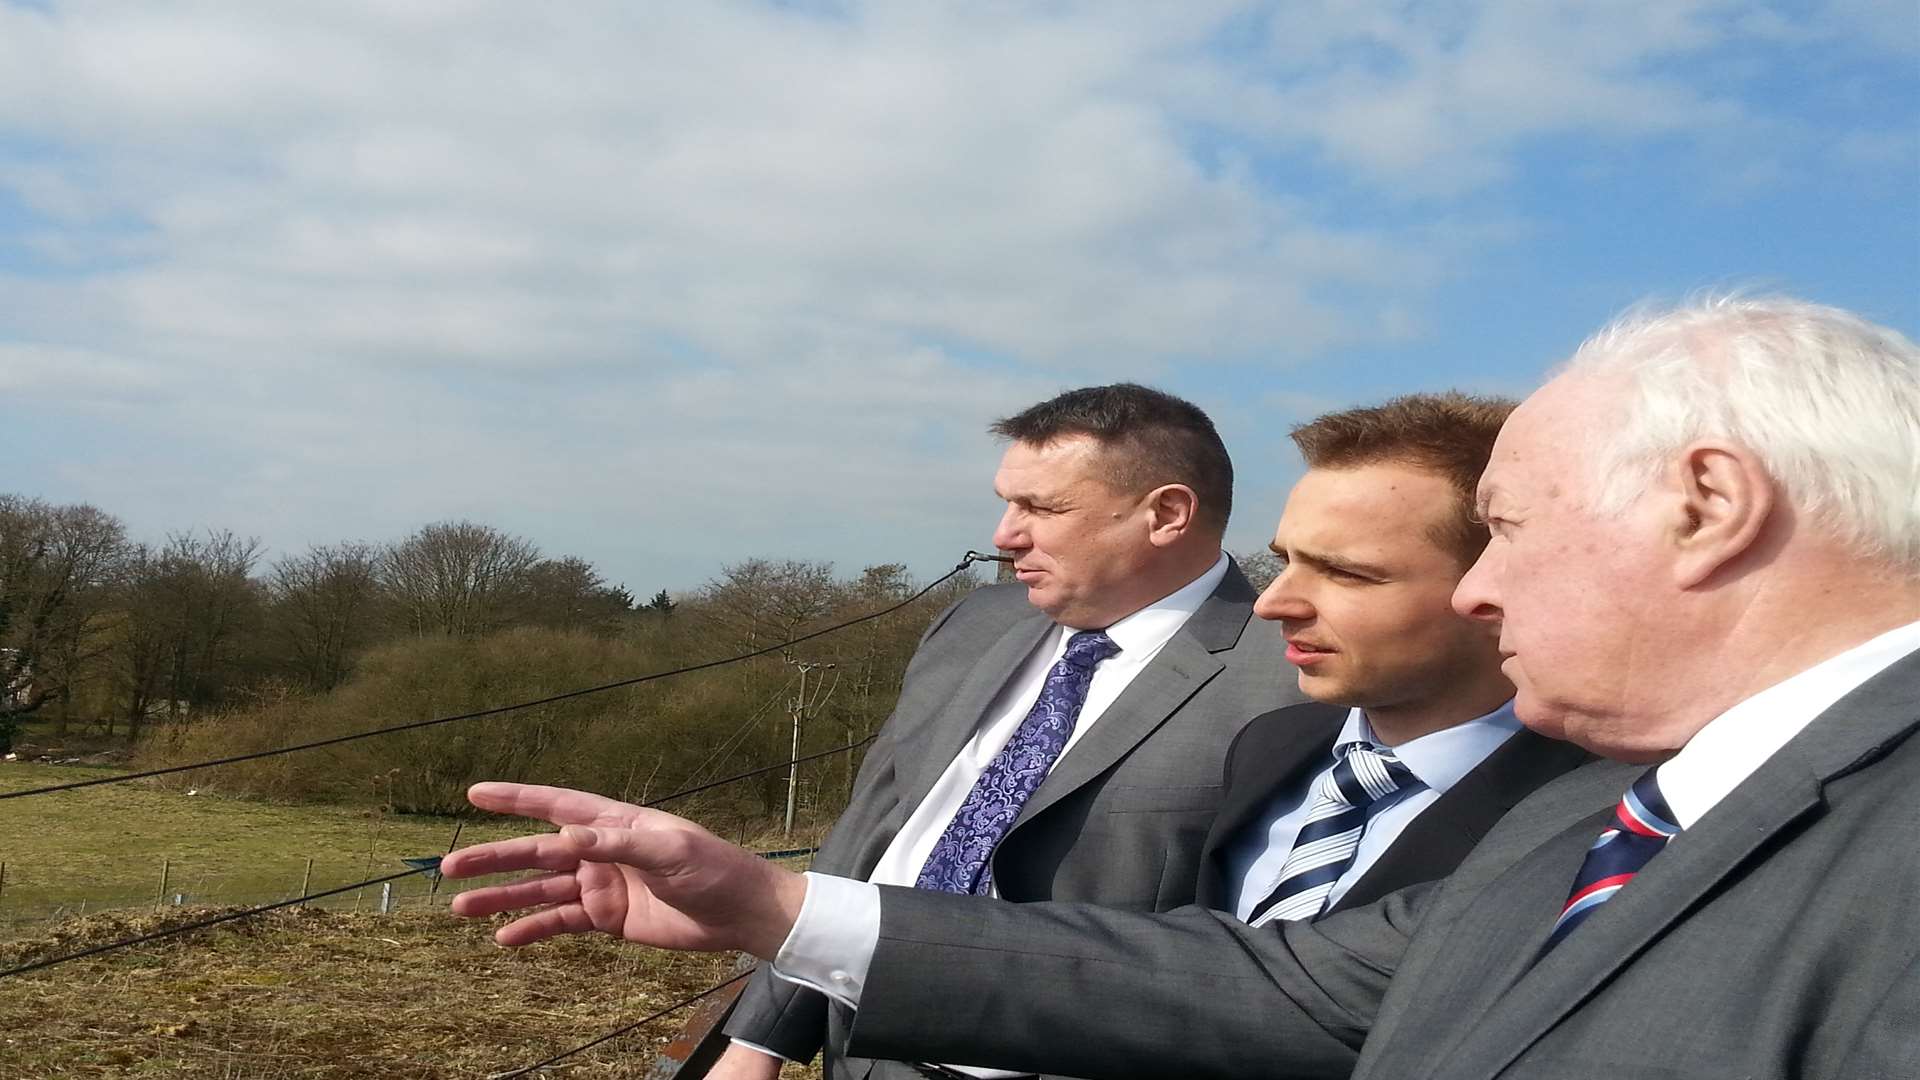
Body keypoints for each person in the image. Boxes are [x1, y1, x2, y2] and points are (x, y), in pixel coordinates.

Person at [443, 296, 1920, 1079]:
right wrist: (774, 915)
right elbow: (1265, 982)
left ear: (1709, 503)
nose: (1482, 587)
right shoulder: (1630, 822)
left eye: (1515, 531)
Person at [711, 383, 1298, 1080]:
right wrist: (759, 1042)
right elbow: (873, 830)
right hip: (861, 1056)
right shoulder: (972, 624)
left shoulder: (1292, 681)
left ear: (1167, 514)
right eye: (1007, 501)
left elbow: (1269, 963)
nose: (1004, 534)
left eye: (1041, 507)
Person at [1198, 394, 1589, 924]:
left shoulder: (1588, 808)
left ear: (1493, 582)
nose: (1271, 603)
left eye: (1346, 573)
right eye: (1284, 560)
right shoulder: (1270, 746)